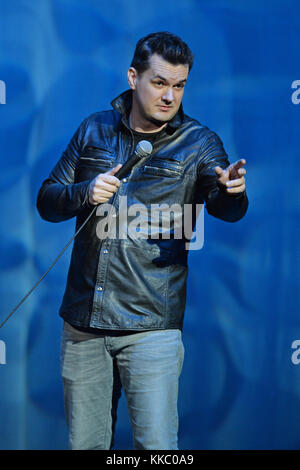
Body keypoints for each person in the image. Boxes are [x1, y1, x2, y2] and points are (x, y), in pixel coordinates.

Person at [36, 31, 248, 450]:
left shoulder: (199, 143)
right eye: (160, 82)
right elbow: (47, 199)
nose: (170, 96)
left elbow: (227, 207)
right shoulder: (94, 128)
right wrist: (84, 192)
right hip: (83, 324)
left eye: (179, 85)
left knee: (156, 450)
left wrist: (230, 191)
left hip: (151, 327)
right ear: (133, 77)